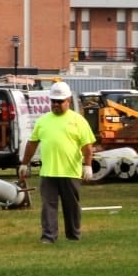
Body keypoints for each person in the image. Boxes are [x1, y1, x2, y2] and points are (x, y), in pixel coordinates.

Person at [18, 81, 95, 244]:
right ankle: (48, 236)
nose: (56, 104)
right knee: (48, 207)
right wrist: (25, 163)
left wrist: (87, 165)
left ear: (68, 100)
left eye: (59, 101)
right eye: (53, 101)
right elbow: (32, 143)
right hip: (48, 172)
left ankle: (73, 235)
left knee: (71, 207)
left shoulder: (78, 121)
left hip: (70, 172)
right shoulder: (43, 121)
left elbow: (87, 146)